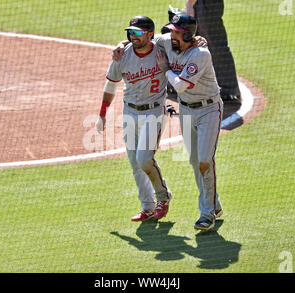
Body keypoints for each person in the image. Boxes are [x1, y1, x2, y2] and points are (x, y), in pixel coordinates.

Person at [95, 16, 172, 222]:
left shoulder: (162, 49)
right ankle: (147, 207)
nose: (132, 36)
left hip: (154, 112)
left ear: (149, 34)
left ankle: (163, 196)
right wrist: (102, 113)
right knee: (134, 163)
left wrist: (201, 41)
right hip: (130, 112)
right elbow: (111, 85)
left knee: (144, 159)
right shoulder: (123, 55)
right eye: (130, 33)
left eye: (137, 32)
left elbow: (182, 38)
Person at [155, 13, 223, 231]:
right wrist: (122, 43)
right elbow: (147, 39)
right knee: (195, 161)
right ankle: (215, 204)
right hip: (186, 110)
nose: (170, 35)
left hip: (209, 110)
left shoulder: (200, 54)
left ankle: (207, 214)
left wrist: (165, 68)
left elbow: (181, 86)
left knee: (205, 159)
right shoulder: (168, 42)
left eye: (175, 32)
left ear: (186, 34)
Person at [180, 0, 241, 105]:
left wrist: (189, 4)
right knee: (197, 41)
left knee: (215, 44)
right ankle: (198, 84)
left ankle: (230, 91)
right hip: (200, 3)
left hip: (208, 4)